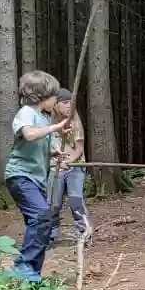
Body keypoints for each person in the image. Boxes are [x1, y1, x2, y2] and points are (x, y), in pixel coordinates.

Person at [4, 70, 69, 283]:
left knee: (43, 223)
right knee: (42, 216)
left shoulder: (42, 117)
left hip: (36, 179)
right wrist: (55, 127)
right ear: (42, 97)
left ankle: (32, 276)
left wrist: (54, 152)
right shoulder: (26, 113)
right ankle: (23, 266)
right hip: (21, 176)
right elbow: (29, 135)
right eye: (54, 98)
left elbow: (38, 143)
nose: (55, 102)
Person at [47, 88, 93, 246]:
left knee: (75, 200)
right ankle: (50, 236)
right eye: (65, 103)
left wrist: (69, 162)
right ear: (56, 105)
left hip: (75, 166)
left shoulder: (76, 123)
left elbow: (79, 149)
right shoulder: (49, 125)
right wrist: (55, 157)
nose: (69, 106)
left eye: (71, 103)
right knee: (53, 203)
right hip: (55, 168)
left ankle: (84, 233)